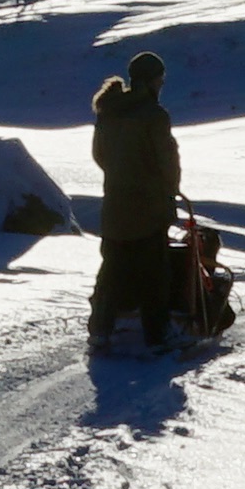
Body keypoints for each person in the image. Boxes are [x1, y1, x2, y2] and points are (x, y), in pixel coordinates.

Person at [85, 48, 184, 354]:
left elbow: (99, 156)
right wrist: (169, 191)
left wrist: (119, 177)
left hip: (114, 205)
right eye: (161, 80)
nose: (161, 85)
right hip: (148, 207)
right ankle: (157, 335)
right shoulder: (154, 116)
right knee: (154, 271)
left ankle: (101, 329)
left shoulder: (109, 112)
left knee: (112, 268)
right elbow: (167, 161)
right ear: (154, 81)